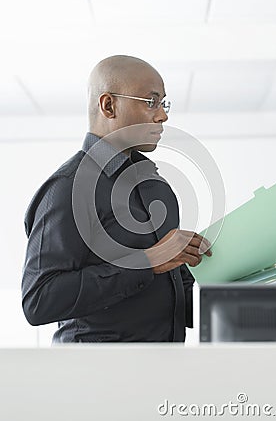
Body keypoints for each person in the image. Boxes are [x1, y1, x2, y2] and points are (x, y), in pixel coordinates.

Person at [21, 55, 212, 343]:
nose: (162, 116)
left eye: (163, 103)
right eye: (151, 102)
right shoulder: (67, 188)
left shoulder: (157, 188)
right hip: (97, 379)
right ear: (109, 105)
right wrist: (147, 262)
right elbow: (38, 300)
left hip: (164, 372)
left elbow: (171, 291)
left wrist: (251, 299)